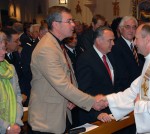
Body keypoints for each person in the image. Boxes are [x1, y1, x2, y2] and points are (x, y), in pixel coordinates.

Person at [28, 6, 106, 134]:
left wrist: (73, 99)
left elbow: (69, 76)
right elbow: (61, 84)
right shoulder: (47, 48)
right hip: (46, 119)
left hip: (61, 113)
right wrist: (92, 102)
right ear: (55, 24)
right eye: (69, 21)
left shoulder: (57, 44)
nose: (73, 24)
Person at [76, 26, 122, 125]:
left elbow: (115, 84)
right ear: (98, 41)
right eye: (110, 40)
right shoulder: (85, 59)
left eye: (113, 40)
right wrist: (97, 114)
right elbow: (84, 91)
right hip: (95, 116)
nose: (113, 43)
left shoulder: (110, 55)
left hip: (111, 112)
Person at [111, 16, 144, 90]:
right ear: (120, 29)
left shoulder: (138, 45)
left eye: (134, 27)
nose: (131, 30)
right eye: (127, 27)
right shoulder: (116, 47)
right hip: (126, 90)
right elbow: (121, 75)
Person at [0, 31, 23, 134]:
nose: (3, 52)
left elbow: (18, 96)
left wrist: (16, 122)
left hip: (14, 125)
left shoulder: (10, 69)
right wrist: (6, 126)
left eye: (4, 48)